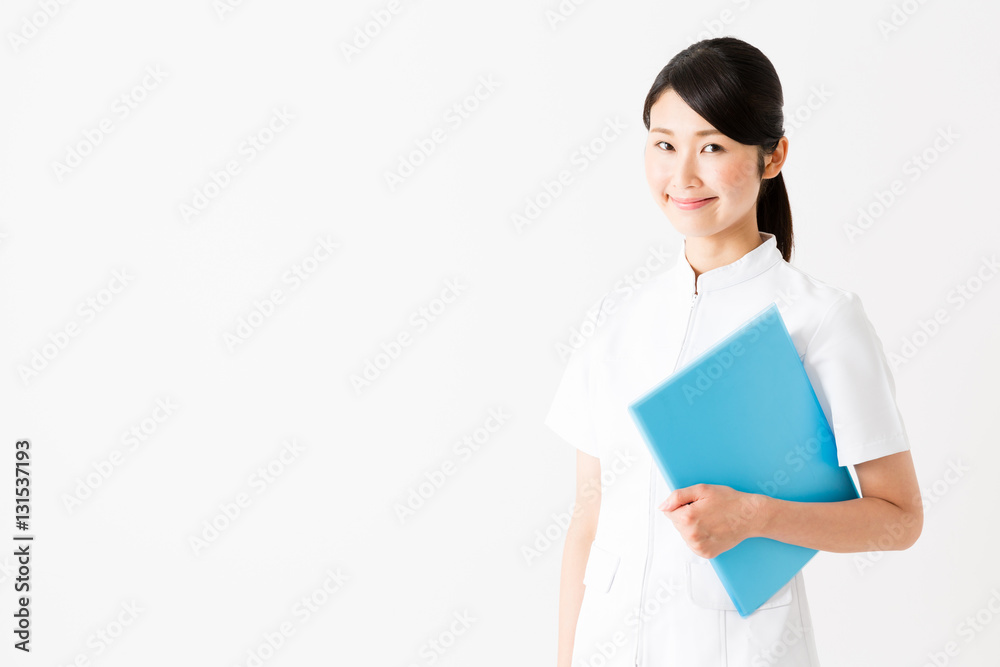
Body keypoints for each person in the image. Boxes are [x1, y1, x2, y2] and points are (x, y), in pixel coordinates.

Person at [544, 36, 923, 667]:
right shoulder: (612, 321)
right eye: (664, 144)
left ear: (772, 156)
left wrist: (758, 515)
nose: (682, 176)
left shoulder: (819, 319)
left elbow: (899, 519)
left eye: (712, 147)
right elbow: (587, 521)